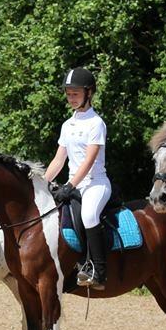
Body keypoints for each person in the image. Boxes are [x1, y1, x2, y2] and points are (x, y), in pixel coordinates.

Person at [44, 67, 111, 289]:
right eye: (68, 93)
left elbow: (89, 160)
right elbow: (58, 159)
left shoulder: (96, 123)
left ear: (88, 93)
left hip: (95, 183)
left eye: (75, 93)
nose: (71, 98)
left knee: (89, 215)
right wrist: (43, 184)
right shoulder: (67, 125)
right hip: (72, 184)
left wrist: (71, 184)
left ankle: (98, 270)